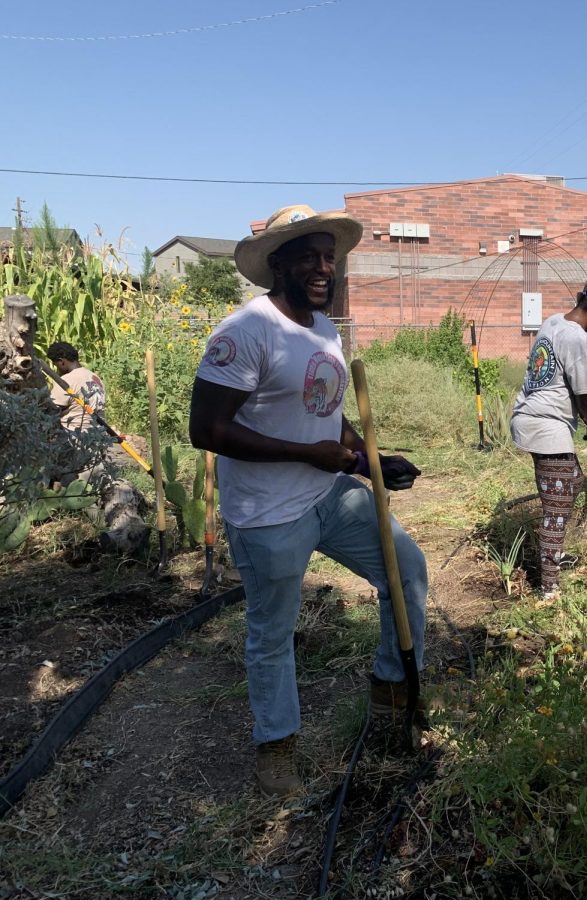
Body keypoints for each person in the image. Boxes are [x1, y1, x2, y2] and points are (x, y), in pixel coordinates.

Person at [189, 204, 427, 797]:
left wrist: (371, 461)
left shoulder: (322, 328)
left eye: (330, 257)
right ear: (278, 264)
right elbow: (207, 431)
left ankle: (392, 698)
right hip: (268, 515)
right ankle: (278, 750)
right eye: (309, 256)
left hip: (328, 495)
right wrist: (304, 454)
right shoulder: (244, 333)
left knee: (408, 572)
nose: (324, 268)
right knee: (273, 632)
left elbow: (324, 411)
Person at [511, 280, 587, 596]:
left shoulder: (554, 321)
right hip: (546, 428)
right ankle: (549, 588)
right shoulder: (577, 338)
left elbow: (560, 383)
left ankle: (552, 556)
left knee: (571, 482)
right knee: (557, 510)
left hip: (530, 417)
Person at [46, 341, 106, 432]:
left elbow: (51, 411)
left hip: (74, 435)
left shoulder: (66, 380)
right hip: (98, 433)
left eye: (56, 365)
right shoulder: (95, 377)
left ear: (61, 362)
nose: (57, 369)